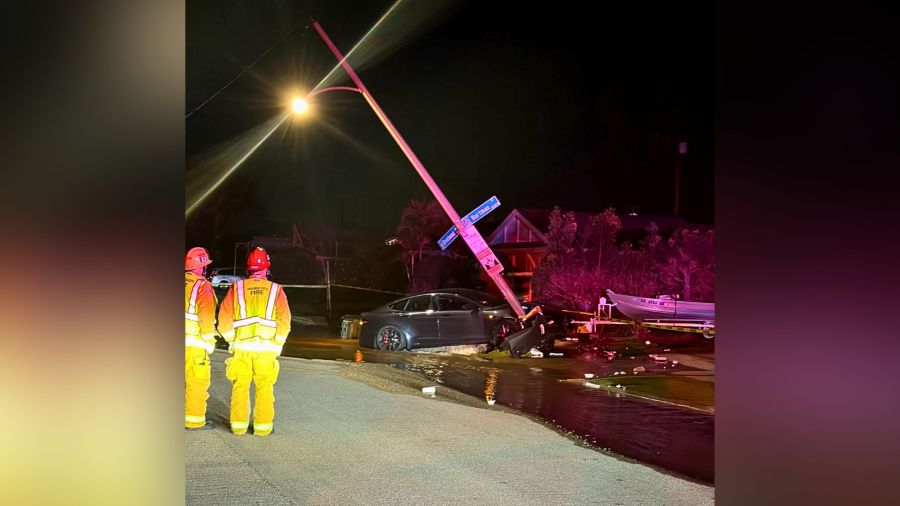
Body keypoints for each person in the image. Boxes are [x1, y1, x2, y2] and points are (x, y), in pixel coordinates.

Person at [217, 247, 291, 436]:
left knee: (240, 386)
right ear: (267, 268)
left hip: (241, 348)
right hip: (267, 350)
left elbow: (223, 321)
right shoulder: (276, 290)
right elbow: (284, 322)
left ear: (248, 268)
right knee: (264, 387)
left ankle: (238, 427)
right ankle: (262, 428)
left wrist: (232, 340)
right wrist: (277, 344)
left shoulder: (237, 289)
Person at [184, 246, 218, 430]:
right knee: (196, 382)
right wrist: (209, 341)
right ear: (202, 267)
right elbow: (206, 319)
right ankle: (194, 421)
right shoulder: (202, 286)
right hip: (194, 344)